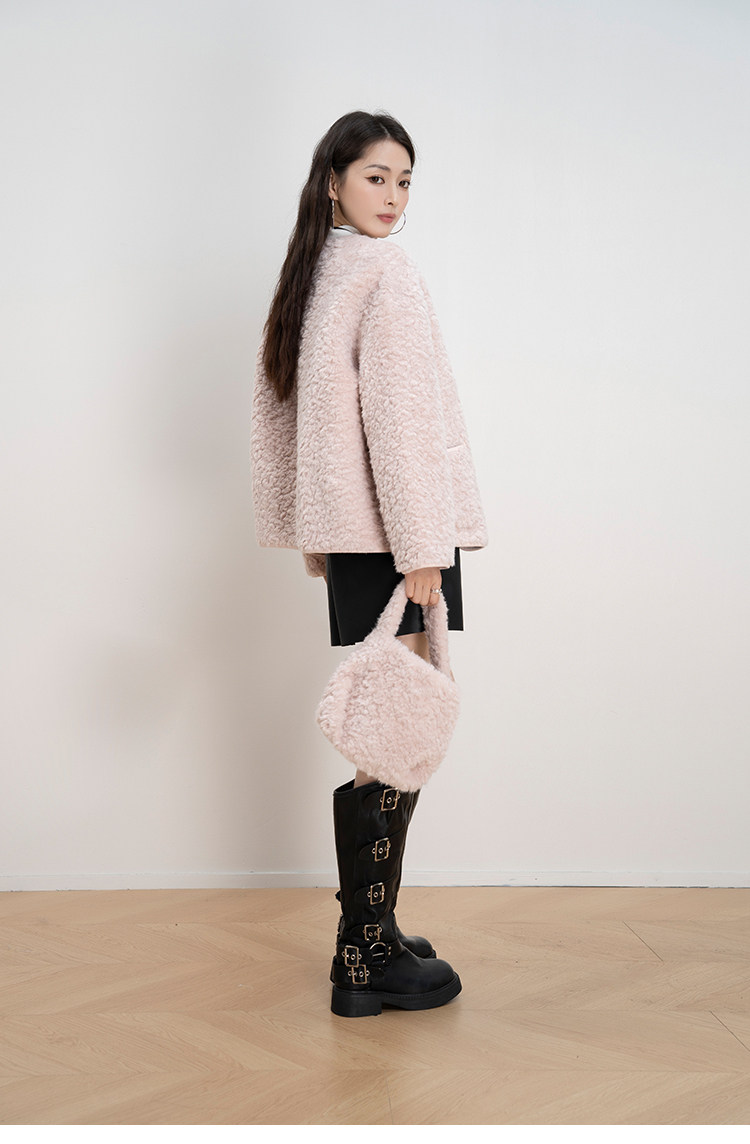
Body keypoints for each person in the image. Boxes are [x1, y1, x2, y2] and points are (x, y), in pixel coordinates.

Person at [251, 110, 487, 1017]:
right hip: (398, 530)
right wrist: (423, 546)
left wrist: (320, 530)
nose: (392, 197)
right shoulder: (384, 272)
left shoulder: (315, 271)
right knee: (399, 722)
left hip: (358, 531)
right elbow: (398, 418)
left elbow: (292, 411)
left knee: (389, 720)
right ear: (333, 182)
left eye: (404, 181)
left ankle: (372, 928)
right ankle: (365, 953)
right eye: (376, 177)